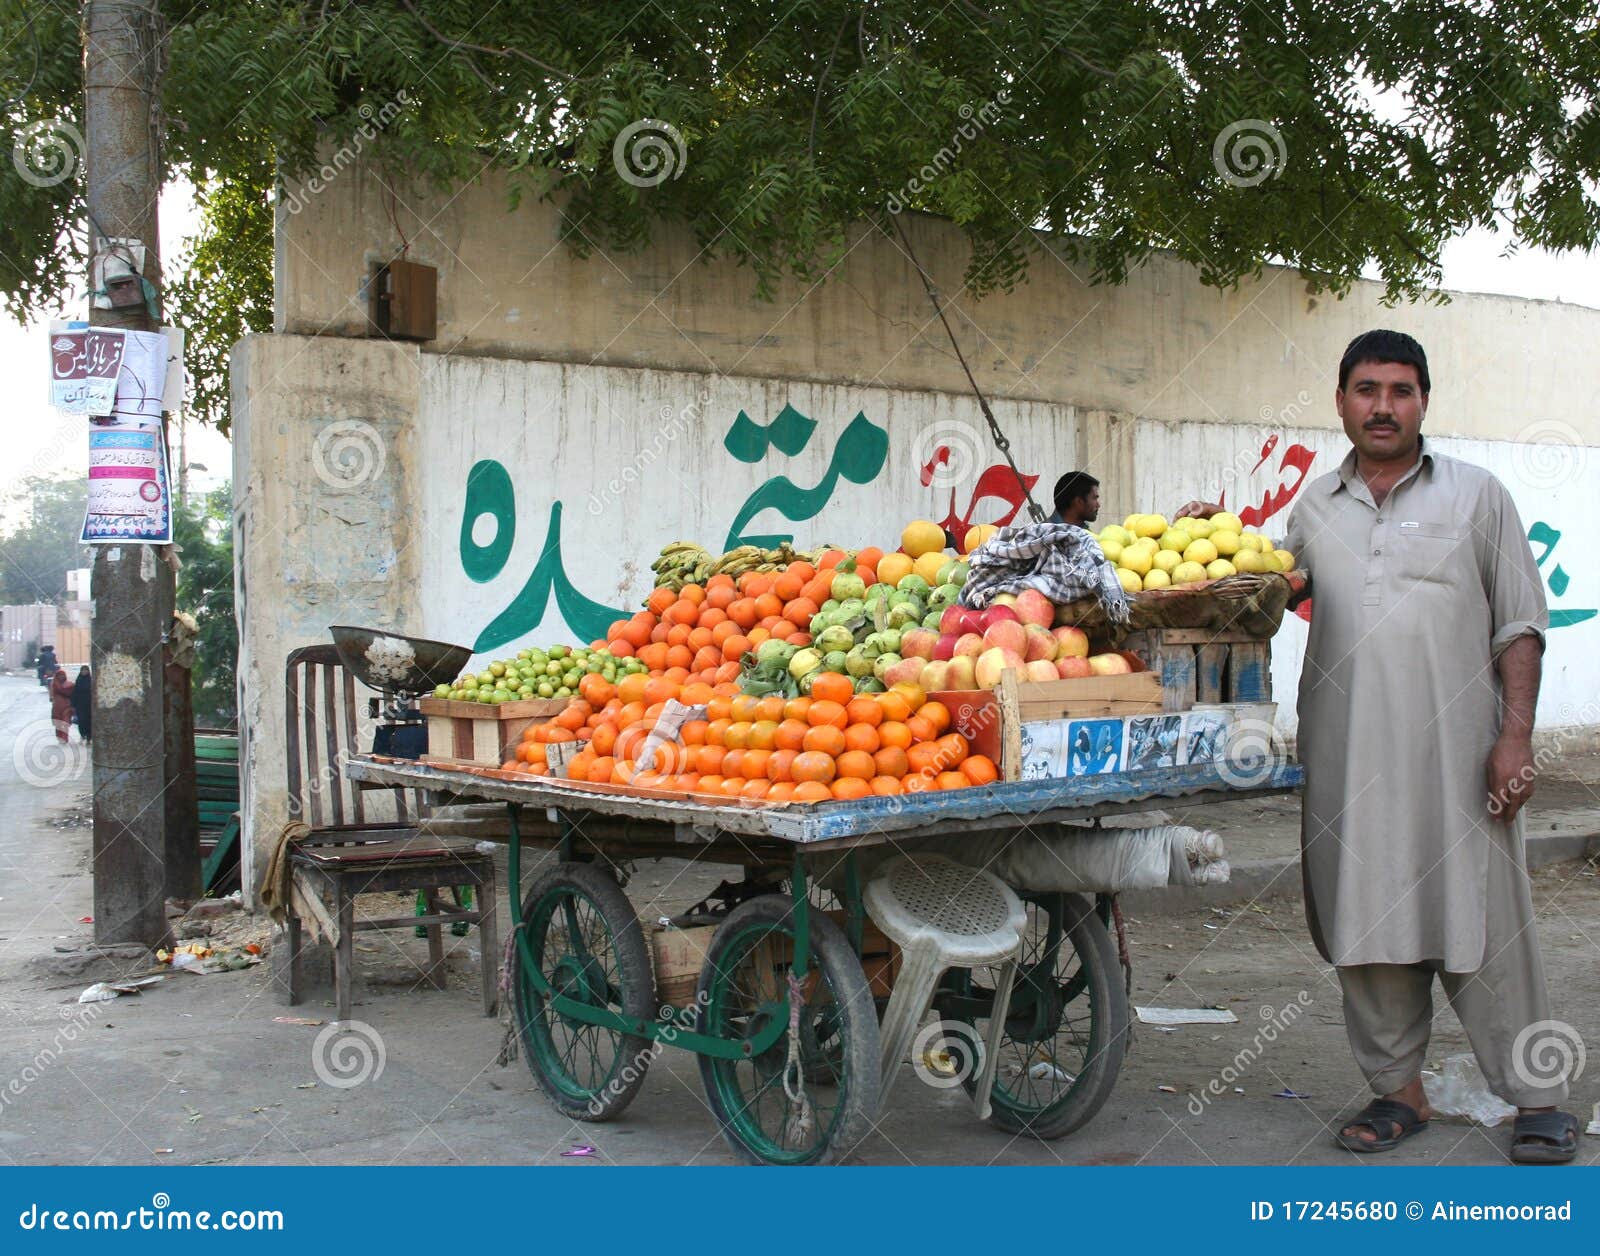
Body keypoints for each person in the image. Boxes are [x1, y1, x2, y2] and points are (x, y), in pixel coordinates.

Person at [1176, 328, 1580, 1163]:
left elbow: (1521, 624)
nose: (1384, 406)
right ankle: (1398, 1091)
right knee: (1364, 916)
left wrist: (1514, 738)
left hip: (1460, 756)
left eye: (1400, 390)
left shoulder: (1477, 494)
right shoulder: (1315, 506)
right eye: (1367, 390)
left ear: (1423, 401)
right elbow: (1268, 594)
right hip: (1348, 755)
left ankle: (1538, 1095)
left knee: (1484, 918)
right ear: (1341, 401)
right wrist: (1214, 544)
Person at [49, 667, 74, 744]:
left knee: (65, 722)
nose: (61, 677)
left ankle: (64, 737)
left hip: (66, 707)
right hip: (57, 707)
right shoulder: (54, 685)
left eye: (63, 675)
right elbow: (51, 697)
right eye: (60, 675)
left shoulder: (69, 685)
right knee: (58, 723)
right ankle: (60, 737)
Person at [71, 666, 92, 744]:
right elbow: (75, 692)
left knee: (89, 721)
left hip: (89, 704)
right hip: (80, 704)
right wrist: (73, 704)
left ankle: (89, 737)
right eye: (82, 670)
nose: (84, 672)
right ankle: (83, 734)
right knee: (81, 721)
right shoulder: (78, 680)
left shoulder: (91, 680)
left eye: (85, 670)